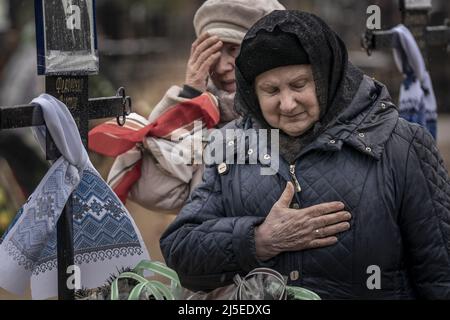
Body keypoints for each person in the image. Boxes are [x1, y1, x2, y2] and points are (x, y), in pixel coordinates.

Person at [160, 10, 450, 299]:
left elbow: (439, 276)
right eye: (271, 90)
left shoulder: (401, 144)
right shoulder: (231, 145)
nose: (287, 104)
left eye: (299, 85)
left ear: (327, 80)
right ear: (252, 94)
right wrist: (259, 239)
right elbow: (180, 249)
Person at [106, 0, 286, 211]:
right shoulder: (204, 117)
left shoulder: (294, 113)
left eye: (234, 49)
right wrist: (189, 100)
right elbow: (151, 192)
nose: (220, 67)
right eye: (212, 53)